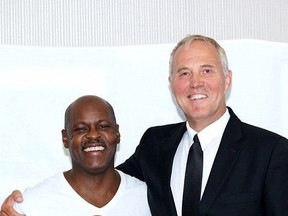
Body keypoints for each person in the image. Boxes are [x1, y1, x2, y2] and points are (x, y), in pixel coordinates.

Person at [2, 34, 288, 215]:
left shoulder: (272, 152)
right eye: (184, 73)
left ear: (227, 80)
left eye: (207, 70)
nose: (195, 82)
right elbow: (102, 180)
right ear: (172, 84)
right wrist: (25, 206)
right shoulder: (155, 144)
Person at [0, 95, 150, 216]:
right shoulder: (31, 205)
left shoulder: (149, 199)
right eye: (81, 129)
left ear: (117, 133)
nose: (93, 135)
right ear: (65, 138)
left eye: (103, 126)